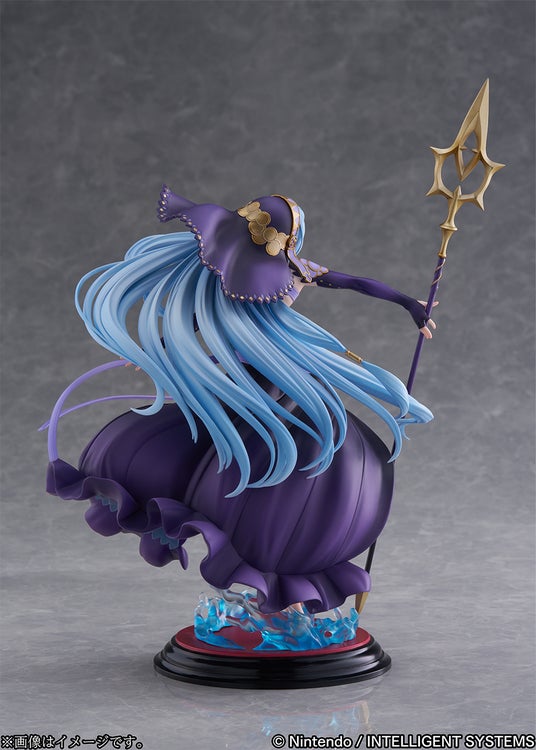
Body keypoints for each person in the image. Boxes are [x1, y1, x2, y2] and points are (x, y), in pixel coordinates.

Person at [46, 188, 435, 615]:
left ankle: (275, 565)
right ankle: (258, 550)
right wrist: (159, 345)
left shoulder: (295, 269)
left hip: (278, 380)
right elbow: (202, 315)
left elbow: (355, 283)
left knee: (292, 460)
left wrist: (410, 304)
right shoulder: (250, 271)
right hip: (244, 379)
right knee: (221, 449)